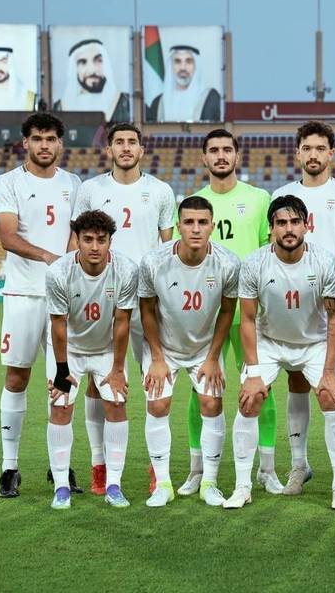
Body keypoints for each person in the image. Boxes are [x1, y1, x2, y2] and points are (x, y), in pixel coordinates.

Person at [223, 195, 335, 510]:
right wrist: (253, 374)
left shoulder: (324, 262)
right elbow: (248, 319)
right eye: (281, 223)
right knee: (250, 399)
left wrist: (329, 372)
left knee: (331, 396)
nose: (289, 229)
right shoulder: (254, 263)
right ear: (271, 228)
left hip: (313, 343)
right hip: (269, 341)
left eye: (295, 222)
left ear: (306, 226)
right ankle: (242, 487)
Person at [71, 122, 175, 495]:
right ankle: (99, 466)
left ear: (142, 150)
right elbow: (77, 243)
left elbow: (168, 249)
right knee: (97, 383)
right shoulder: (90, 190)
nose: (126, 148)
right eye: (119, 142)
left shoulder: (160, 191)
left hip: (146, 298)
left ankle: (157, 468)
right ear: (109, 149)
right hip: (102, 297)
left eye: (132, 142)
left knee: (155, 379)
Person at [177, 129, 280, 497]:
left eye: (227, 150)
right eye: (214, 150)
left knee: (260, 388)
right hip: (206, 316)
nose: (221, 156)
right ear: (204, 158)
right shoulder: (193, 204)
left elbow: (270, 253)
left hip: (250, 314)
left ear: (238, 155)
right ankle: (198, 470)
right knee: (201, 392)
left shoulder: (259, 199)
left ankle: (266, 469)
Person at [271, 121, 335, 496]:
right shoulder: (282, 194)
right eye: (306, 148)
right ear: (297, 153)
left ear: (331, 153)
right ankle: (299, 464)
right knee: (297, 378)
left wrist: (328, 287)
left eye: (320, 148)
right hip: (297, 304)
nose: (313, 154)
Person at [0, 112, 81, 498]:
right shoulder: (9, 182)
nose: (45, 145)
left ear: (60, 144)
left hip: (63, 298)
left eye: (51, 139)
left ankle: (59, 466)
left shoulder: (74, 184)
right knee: (17, 377)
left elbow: (77, 235)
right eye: (38, 138)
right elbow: (8, 236)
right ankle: (9, 467)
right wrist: (49, 257)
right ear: (25, 143)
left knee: (62, 381)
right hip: (23, 294)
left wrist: (68, 264)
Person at [139, 196, 240, 508]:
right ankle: (163, 485)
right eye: (189, 222)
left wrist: (213, 357)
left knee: (211, 403)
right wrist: (157, 358)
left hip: (204, 348)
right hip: (163, 347)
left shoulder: (228, 263)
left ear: (212, 226)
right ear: (178, 226)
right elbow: (147, 309)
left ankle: (209, 482)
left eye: (202, 222)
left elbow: (227, 311)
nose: (196, 229)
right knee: (158, 404)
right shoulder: (153, 262)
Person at [45, 210, 138, 510]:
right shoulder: (59, 272)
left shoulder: (126, 270)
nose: (95, 247)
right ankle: (61, 487)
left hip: (106, 348)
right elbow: (58, 324)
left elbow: (122, 322)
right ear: (77, 240)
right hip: (69, 350)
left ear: (110, 241)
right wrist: (62, 370)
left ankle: (114, 484)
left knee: (117, 404)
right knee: (60, 407)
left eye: (101, 239)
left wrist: (118, 369)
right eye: (87, 239)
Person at [53, 39, 130, 122]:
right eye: (83, 62)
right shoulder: (60, 107)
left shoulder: (124, 102)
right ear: (74, 69)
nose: (92, 70)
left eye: (98, 61)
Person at [146, 45, 221, 122]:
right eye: (177, 61)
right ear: (171, 66)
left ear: (196, 66)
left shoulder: (210, 98)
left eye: (188, 61)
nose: (183, 68)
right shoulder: (158, 103)